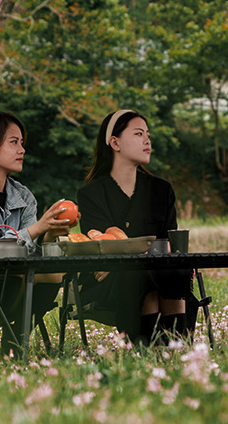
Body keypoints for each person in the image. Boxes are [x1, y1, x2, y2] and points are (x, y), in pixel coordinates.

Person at [77, 109, 194, 345]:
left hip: (159, 274)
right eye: (139, 134)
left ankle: (177, 349)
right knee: (141, 274)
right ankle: (149, 350)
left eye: (148, 134)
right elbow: (101, 247)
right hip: (110, 283)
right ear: (115, 142)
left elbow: (169, 242)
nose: (147, 140)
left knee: (173, 270)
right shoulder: (91, 194)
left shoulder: (162, 190)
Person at [0, 110, 70, 352]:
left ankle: (14, 347)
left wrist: (48, 234)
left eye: (22, 143)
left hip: (8, 282)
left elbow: (31, 259)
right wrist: (35, 229)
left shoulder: (24, 197)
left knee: (52, 273)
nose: (22, 150)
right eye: (14, 142)